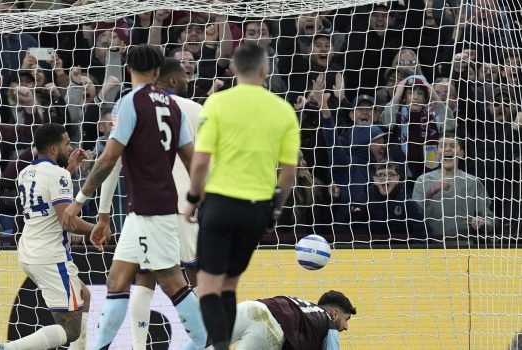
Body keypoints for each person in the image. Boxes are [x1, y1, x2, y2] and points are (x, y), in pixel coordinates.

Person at [61, 44, 207, 350]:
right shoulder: (173, 106)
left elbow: (107, 159)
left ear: (128, 70)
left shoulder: (129, 103)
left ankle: (204, 338)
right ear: (157, 72)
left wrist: (79, 200)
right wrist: (199, 198)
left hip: (154, 212)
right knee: (117, 280)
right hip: (141, 212)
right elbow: (192, 160)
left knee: (171, 281)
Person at [183, 43, 300, 350]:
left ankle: (220, 345)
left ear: (233, 70)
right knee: (231, 285)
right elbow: (288, 173)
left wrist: (193, 198)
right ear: (265, 70)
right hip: (256, 210)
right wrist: (274, 211)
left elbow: (200, 162)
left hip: (219, 204)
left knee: (208, 285)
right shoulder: (283, 110)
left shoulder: (217, 104)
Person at [0, 124, 94, 350]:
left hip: (29, 251)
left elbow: (46, 193)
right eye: (67, 143)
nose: (70, 147)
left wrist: (69, 170)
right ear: (55, 149)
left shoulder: (25, 173)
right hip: (51, 257)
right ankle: (9, 348)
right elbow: (67, 221)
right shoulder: (58, 175)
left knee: (84, 296)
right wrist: (96, 229)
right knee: (70, 329)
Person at [411, 134, 494, 238]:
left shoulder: (473, 182)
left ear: (462, 153)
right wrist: (430, 194)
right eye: (443, 146)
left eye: (453, 146)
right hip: (431, 246)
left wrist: (482, 223)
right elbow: (413, 220)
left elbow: (491, 221)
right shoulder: (422, 181)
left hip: (465, 245)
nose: (448, 149)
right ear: (437, 154)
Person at [211, 290, 356, 350]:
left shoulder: (304, 308)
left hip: (253, 307)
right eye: (346, 319)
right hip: (271, 328)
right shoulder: (330, 324)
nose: (346, 326)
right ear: (334, 313)